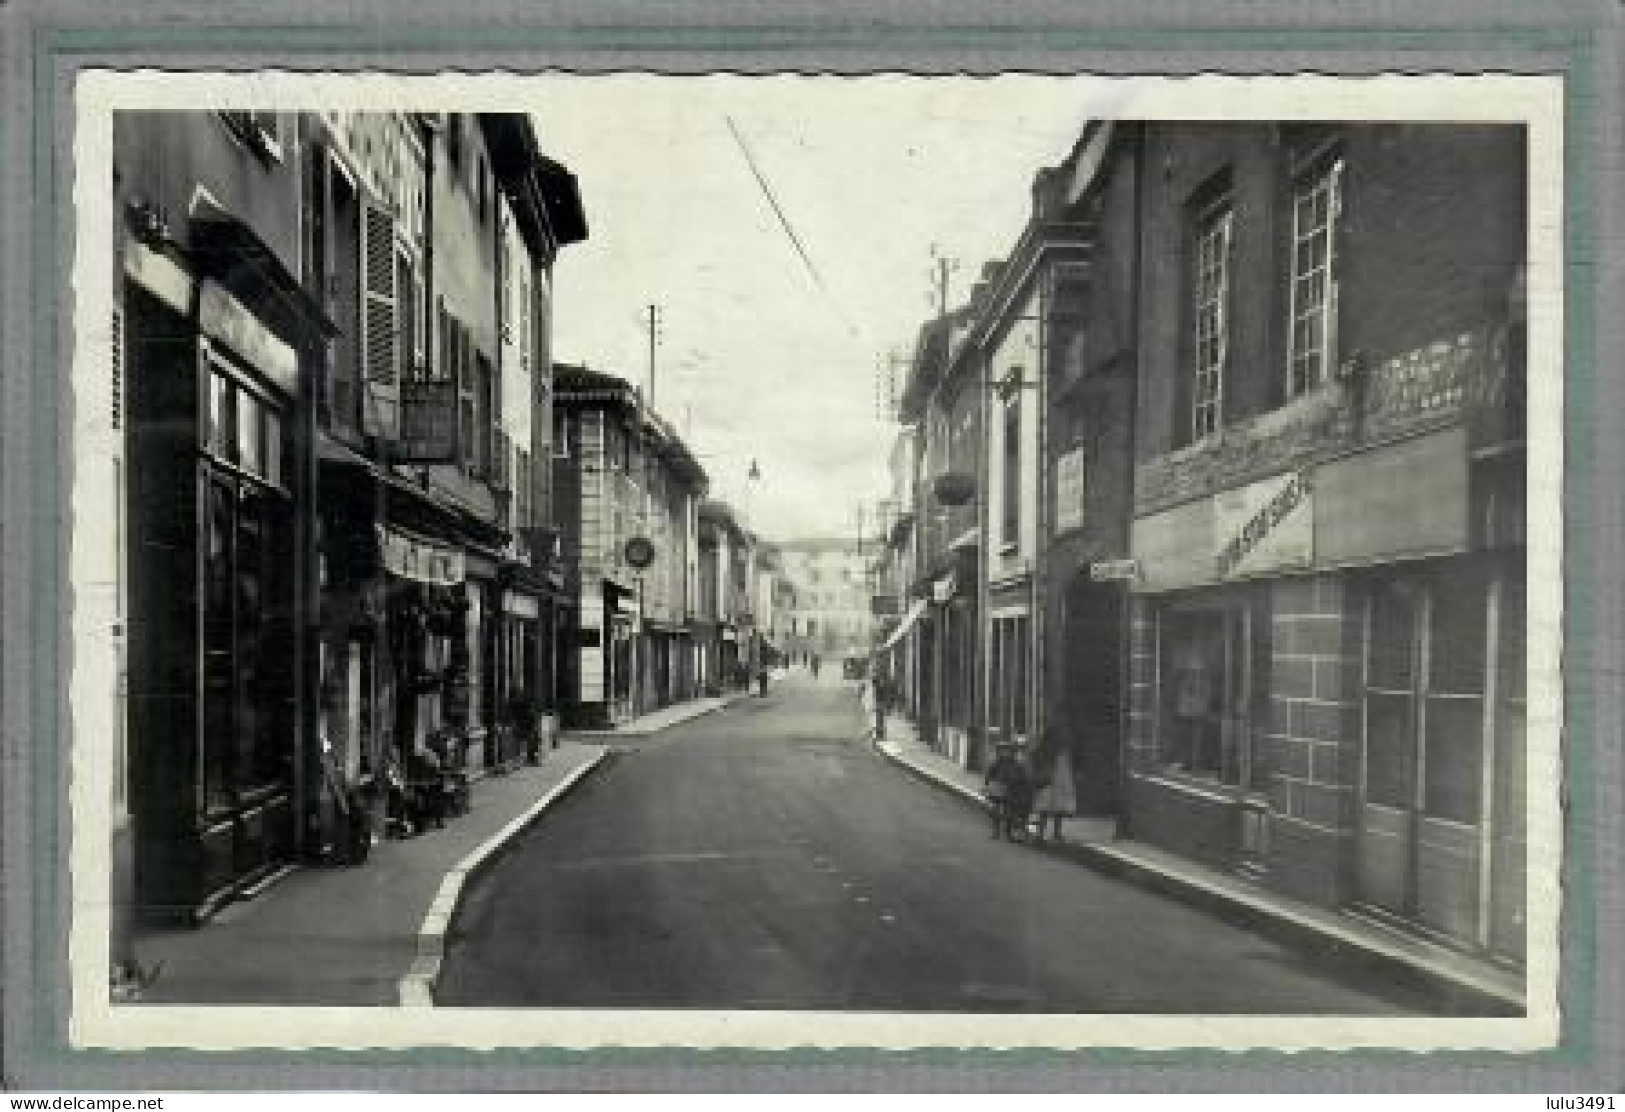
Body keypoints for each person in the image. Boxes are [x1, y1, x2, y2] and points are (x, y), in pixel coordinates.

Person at [1030, 728, 1078, 842]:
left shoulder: (1049, 750)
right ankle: (1051, 833)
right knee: (1053, 809)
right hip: (1051, 782)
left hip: (1051, 782)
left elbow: (1034, 759)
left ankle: (1042, 834)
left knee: (1047, 809)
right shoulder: (1061, 752)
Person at [983, 740, 1032, 840]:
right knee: (996, 809)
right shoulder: (998, 762)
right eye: (1003, 751)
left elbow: (1022, 776)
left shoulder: (1016, 764)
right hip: (998, 786)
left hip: (1010, 788)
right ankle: (996, 831)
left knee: (1008, 810)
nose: (1006, 753)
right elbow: (989, 773)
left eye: (1008, 751)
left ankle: (1007, 832)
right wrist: (987, 784)